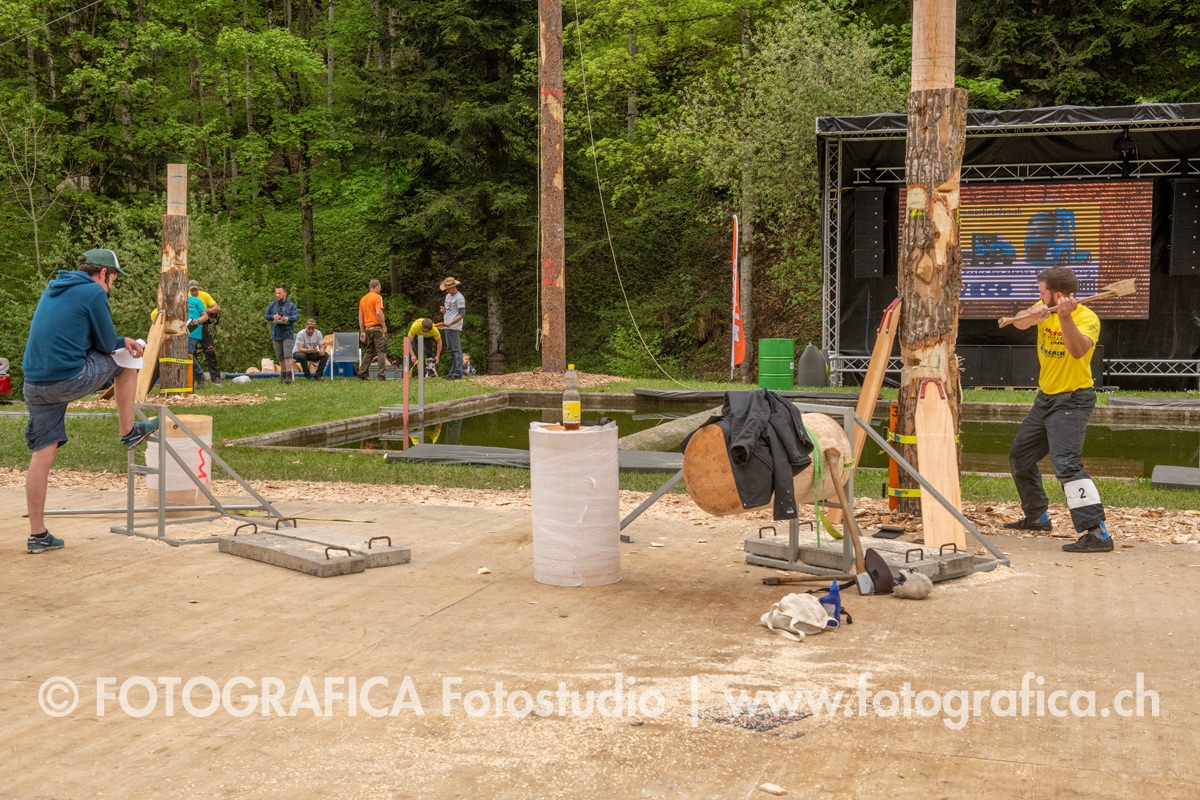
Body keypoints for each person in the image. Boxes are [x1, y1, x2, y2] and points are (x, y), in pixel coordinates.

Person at [21, 248, 158, 554]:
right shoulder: (94, 292)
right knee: (127, 360)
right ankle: (129, 431)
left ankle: (38, 535)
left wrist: (117, 341)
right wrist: (126, 342)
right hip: (68, 378)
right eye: (114, 280)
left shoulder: (55, 288)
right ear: (103, 273)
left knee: (41, 455)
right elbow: (107, 344)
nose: (112, 286)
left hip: (34, 383)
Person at [1005, 266, 1111, 553]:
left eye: (1043, 293)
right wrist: (1033, 316)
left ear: (1059, 295)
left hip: (1073, 400)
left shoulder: (1087, 318)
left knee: (1066, 464)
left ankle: (1098, 533)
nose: (1039, 297)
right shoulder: (1044, 308)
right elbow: (1018, 324)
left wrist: (1064, 317)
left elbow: (1077, 351)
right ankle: (1037, 518)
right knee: (1020, 456)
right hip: (1046, 399)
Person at [188, 279, 223, 384]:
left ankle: (215, 377)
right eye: (192, 290)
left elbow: (217, 307)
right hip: (191, 327)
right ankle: (195, 377)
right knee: (190, 352)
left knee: (210, 350)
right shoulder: (186, 297)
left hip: (203, 325)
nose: (194, 292)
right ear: (189, 290)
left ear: (199, 288)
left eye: (196, 290)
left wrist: (207, 311)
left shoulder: (204, 295)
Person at [264, 285, 299, 383]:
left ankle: (289, 375)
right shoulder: (272, 305)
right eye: (276, 293)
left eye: (279, 293)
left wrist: (288, 318)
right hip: (276, 333)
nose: (277, 295)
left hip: (287, 333)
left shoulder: (291, 305)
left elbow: (296, 317)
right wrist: (273, 317)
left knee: (287, 355)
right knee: (280, 356)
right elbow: (266, 316)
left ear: (285, 293)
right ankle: (283, 374)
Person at [357, 279, 388, 381]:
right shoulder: (377, 297)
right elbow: (378, 313)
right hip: (377, 328)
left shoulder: (363, 299)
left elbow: (361, 317)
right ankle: (381, 376)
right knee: (381, 351)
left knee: (369, 351)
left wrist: (362, 331)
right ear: (377, 286)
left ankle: (361, 373)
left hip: (368, 329)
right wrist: (384, 325)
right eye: (380, 287)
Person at [436, 276, 465, 379]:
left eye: (448, 289)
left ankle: (458, 372)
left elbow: (462, 314)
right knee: (450, 350)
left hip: (454, 326)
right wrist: (444, 311)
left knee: (456, 349)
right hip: (446, 325)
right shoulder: (448, 296)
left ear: (453, 287)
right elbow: (449, 309)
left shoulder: (460, 298)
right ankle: (452, 372)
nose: (447, 291)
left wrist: (451, 323)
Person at [185, 283, 210, 388]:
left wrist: (197, 321)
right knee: (183, 354)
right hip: (181, 331)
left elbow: (205, 316)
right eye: (192, 290)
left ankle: (199, 376)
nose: (194, 292)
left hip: (193, 331)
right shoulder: (179, 301)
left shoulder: (196, 301)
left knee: (188, 353)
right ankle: (189, 379)